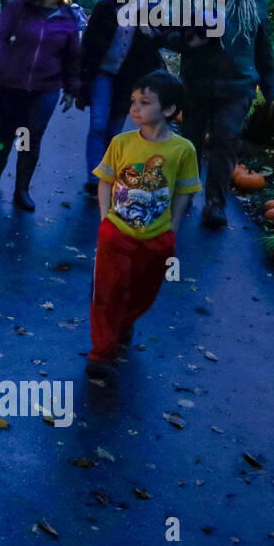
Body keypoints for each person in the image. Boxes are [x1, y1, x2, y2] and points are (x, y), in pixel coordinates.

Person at [89, 70, 201, 365]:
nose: (134, 108)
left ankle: (124, 321)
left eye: (144, 102)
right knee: (107, 290)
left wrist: (173, 230)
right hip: (116, 230)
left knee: (143, 292)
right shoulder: (122, 142)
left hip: (157, 237)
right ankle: (101, 351)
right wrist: (105, 220)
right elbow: (105, 181)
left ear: (168, 109)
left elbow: (183, 192)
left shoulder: (183, 150)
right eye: (133, 101)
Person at [166, 0, 274, 229]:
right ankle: (184, 196)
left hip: (237, 87)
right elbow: (169, 37)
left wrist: (270, 89)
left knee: (225, 143)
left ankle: (215, 205)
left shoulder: (255, 1)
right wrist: (190, 41)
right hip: (196, 85)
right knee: (189, 143)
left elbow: (264, 49)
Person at [0, 0, 82, 212]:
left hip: (45, 89)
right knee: (6, 134)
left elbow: (72, 56)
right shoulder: (19, 8)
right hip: (11, 85)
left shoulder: (68, 17)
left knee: (30, 137)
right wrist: (1, 66)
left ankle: (21, 189)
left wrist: (71, 89)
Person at [79, 0, 167, 195]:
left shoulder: (151, 8)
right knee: (98, 125)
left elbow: (163, 39)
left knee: (113, 130)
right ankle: (93, 177)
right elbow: (88, 41)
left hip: (130, 80)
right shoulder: (105, 8)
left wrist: (151, 33)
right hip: (103, 74)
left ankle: (106, 173)